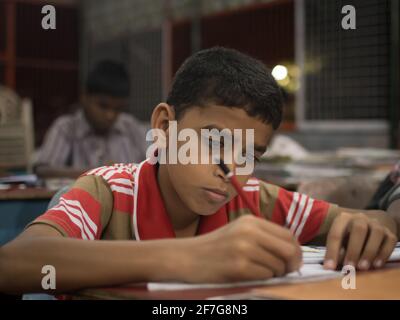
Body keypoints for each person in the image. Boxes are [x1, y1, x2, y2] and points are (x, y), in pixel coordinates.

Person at [0, 47, 398, 294]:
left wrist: (377, 223)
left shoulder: (253, 199)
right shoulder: (109, 190)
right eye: (213, 141)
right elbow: (13, 263)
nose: (231, 169)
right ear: (163, 126)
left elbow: (370, 220)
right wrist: (186, 257)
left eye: (250, 155)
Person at [34, 60, 147, 178]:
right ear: (84, 97)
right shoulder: (66, 128)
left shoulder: (131, 127)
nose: (110, 115)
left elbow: (152, 168)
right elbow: (43, 170)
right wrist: (99, 173)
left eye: (118, 108)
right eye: (103, 106)